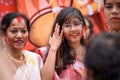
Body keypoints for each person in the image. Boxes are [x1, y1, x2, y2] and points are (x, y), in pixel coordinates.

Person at [41, 7, 91, 80]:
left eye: (76, 24)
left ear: (84, 27)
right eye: (67, 25)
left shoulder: (93, 52)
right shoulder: (52, 54)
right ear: (60, 29)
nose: (73, 29)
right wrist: (53, 49)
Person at [1, 12, 43, 80]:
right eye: (14, 31)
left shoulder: (34, 58)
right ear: (4, 34)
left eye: (23, 31)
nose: (20, 36)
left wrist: (53, 49)